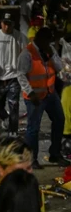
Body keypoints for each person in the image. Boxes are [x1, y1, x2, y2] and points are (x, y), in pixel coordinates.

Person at [17, 27, 68, 168]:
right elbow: (20, 75)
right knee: (33, 128)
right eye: (46, 41)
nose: (48, 44)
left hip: (50, 93)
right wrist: (30, 92)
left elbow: (59, 68)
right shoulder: (27, 54)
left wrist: (51, 54)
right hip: (34, 97)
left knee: (59, 119)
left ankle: (55, 154)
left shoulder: (49, 49)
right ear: (39, 39)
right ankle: (32, 160)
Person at [0, 13, 27, 136]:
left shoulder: (20, 37)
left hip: (13, 77)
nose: (6, 27)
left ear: (13, 24)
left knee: (14, 105)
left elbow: (24, 53)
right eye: (5, 23)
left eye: (9, 24)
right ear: (1, 23)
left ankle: (13, 131)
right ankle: (4, 117)